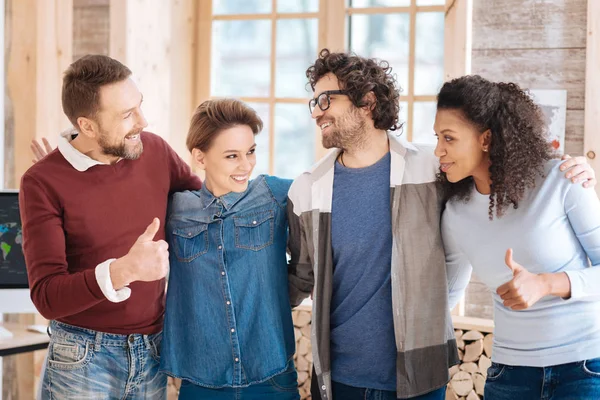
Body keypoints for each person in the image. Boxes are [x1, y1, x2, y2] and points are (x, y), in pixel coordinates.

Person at [285, 49, 597, 400]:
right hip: (340, 377)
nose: (317, 112)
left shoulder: (433, 173)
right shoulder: (308, 188)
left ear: (367, 101)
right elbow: (301, 276)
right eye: (313, 103)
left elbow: (498, 169)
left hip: (424, 377)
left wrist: (566, 167)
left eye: (326, 99)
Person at [20, 55, 202, 399]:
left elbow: (202, 206)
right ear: (87, 126)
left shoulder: (156, 152)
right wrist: (123, 270)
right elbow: (47, 296)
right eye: (126, 115)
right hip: (82, 358)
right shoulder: (42, 182)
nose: (143, 122)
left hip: (152, 351)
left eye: (139, 106)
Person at [437, 75, 600, 400]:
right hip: (508, 375)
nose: (439, 150)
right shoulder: (456, 213)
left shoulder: (562, 180)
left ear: (485, 139)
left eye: (449, 138)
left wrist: (546, 284)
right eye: (436, 138)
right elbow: (446, 295)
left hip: (583, 368)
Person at [160, 98, 300, 400]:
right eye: (231, 156)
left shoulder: (275, 195)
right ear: (200, 157)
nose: (245, 165)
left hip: (271, 379)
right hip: (201, 383)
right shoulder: (176, 210)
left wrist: (285, 294)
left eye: (250, 152)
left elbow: (330, 193)